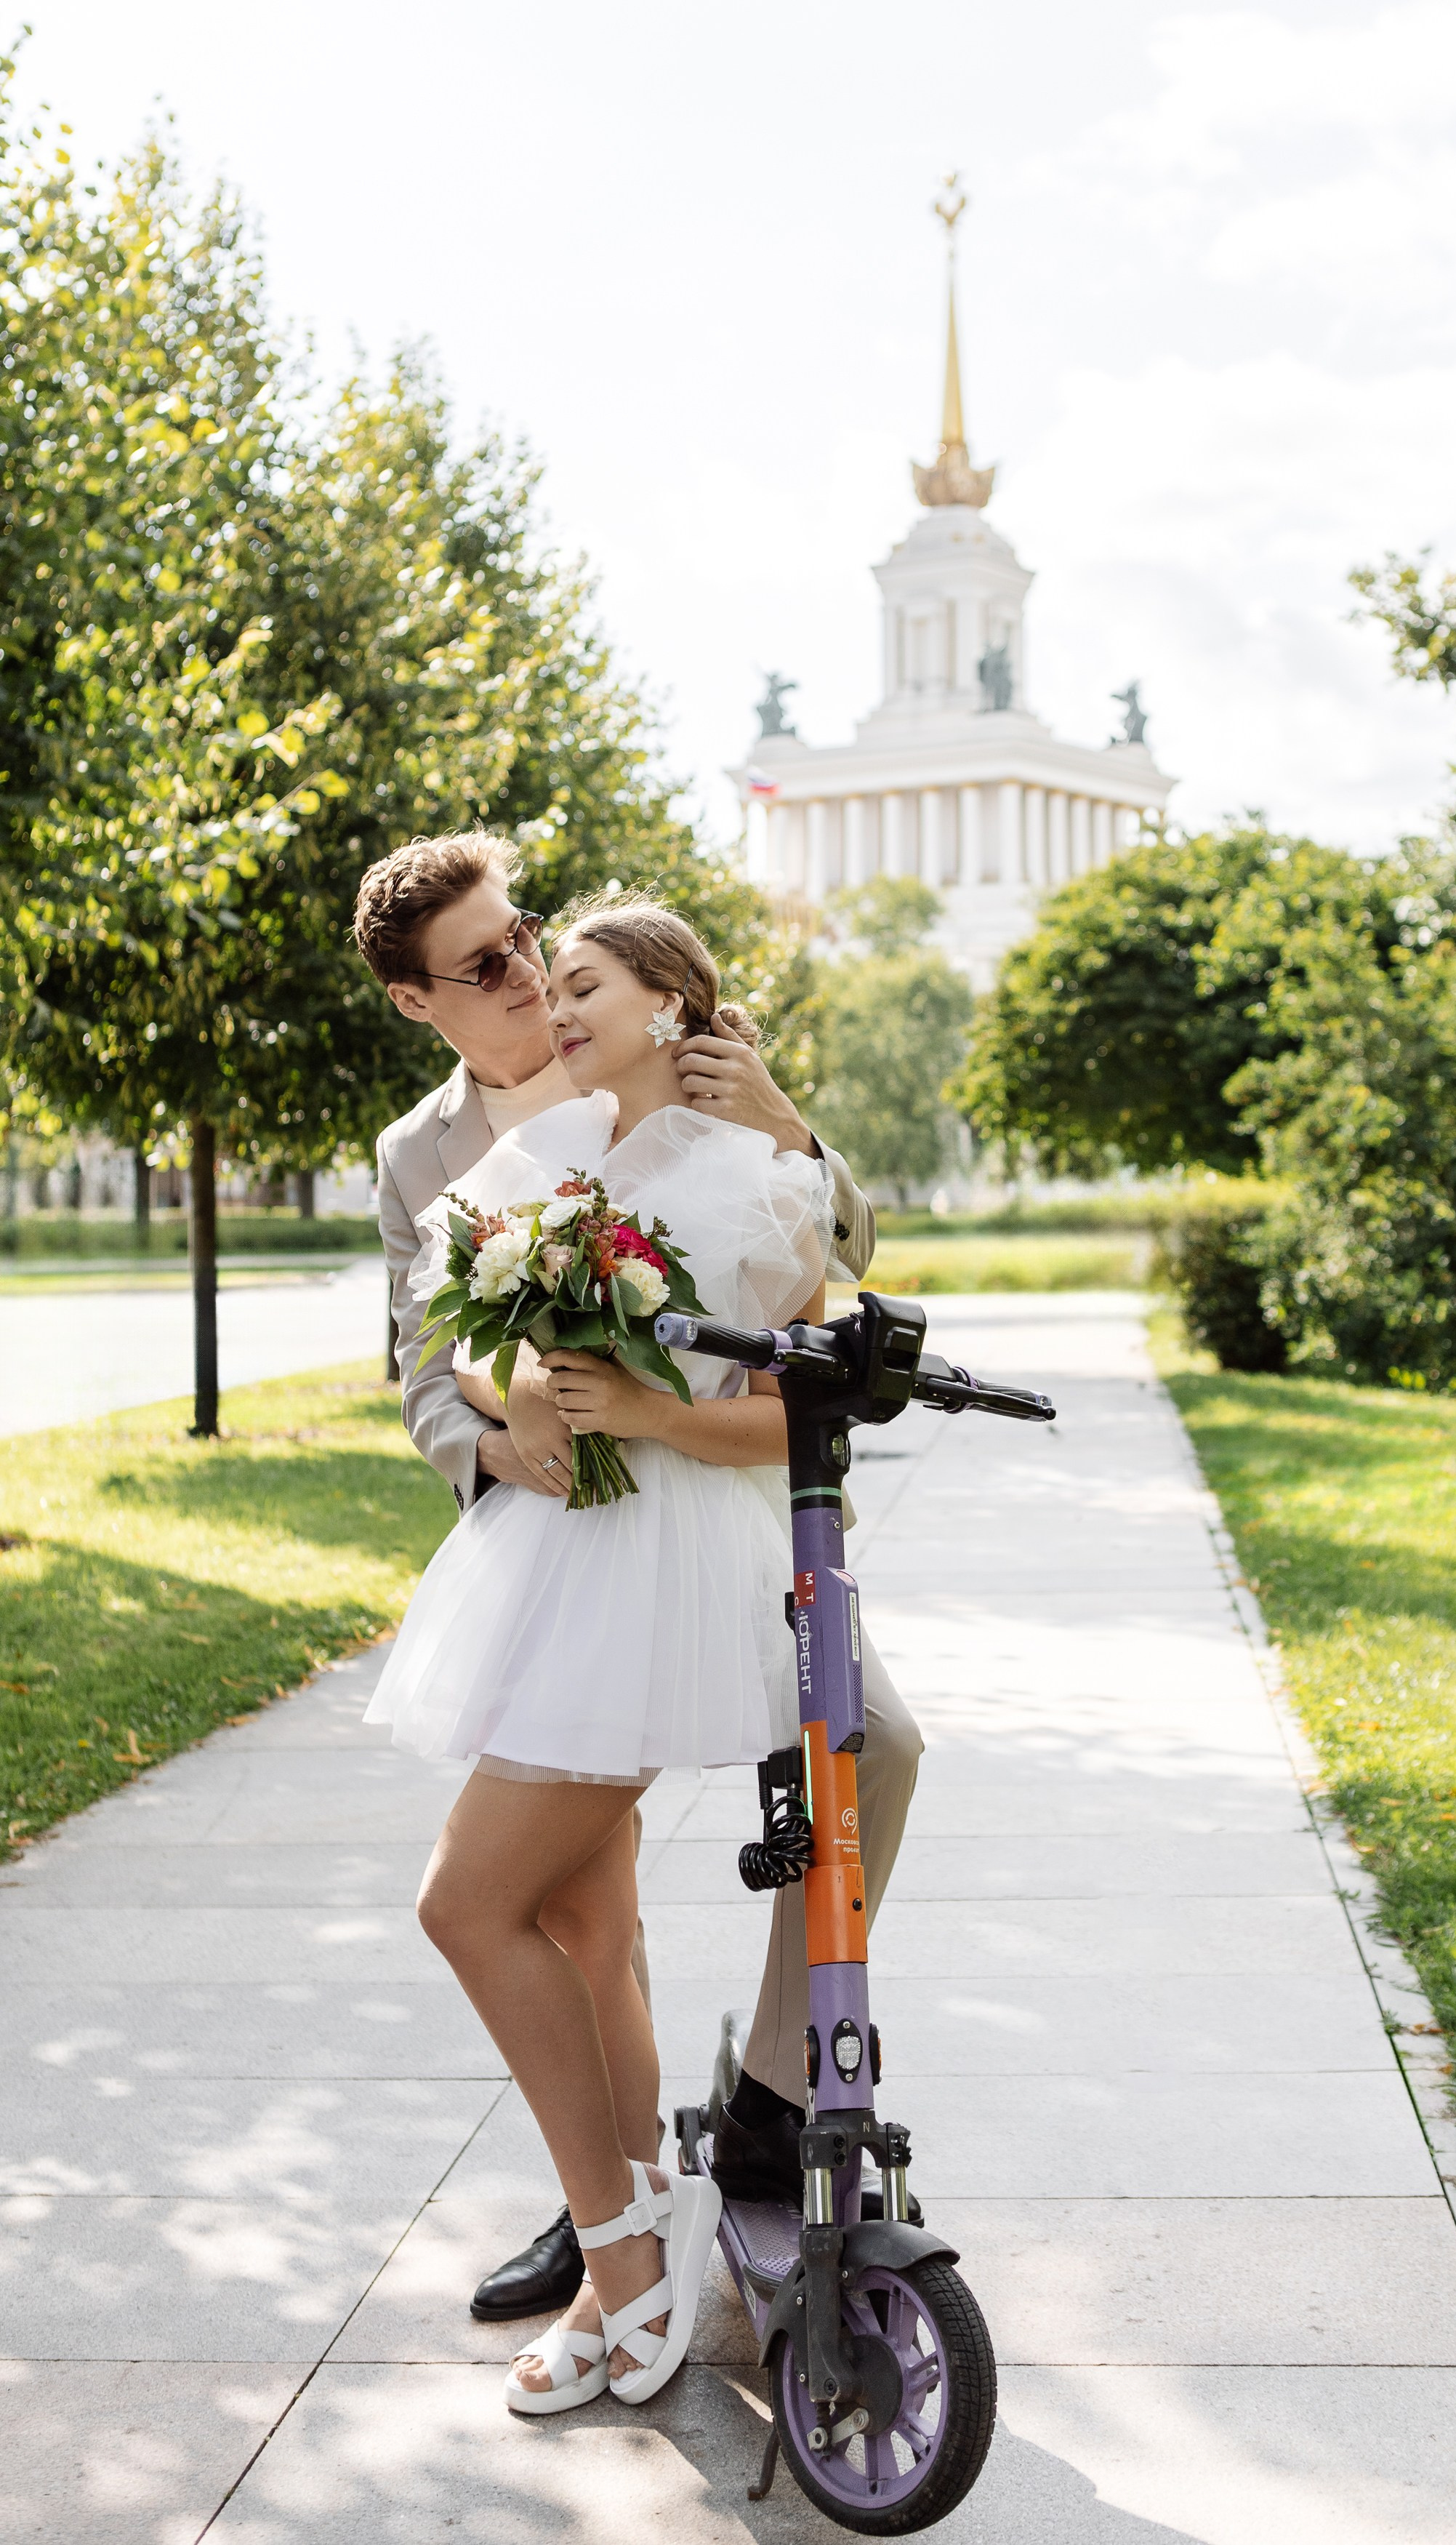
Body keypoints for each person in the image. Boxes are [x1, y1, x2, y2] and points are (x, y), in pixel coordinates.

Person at [351, 832, 923, 2322]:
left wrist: (789, 1128)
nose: (527, 974)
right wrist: (509, 1420)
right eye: (488, 965)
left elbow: (833, 1282)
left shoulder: (717, 1100)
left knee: (874, 1744)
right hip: (563, 1537)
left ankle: (756, 2117)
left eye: (531, 939)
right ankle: (610, 2213)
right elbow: (434, 1361)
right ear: (420, 1000)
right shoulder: (434, 1156)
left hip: (714, 1530)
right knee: (575, 1919)